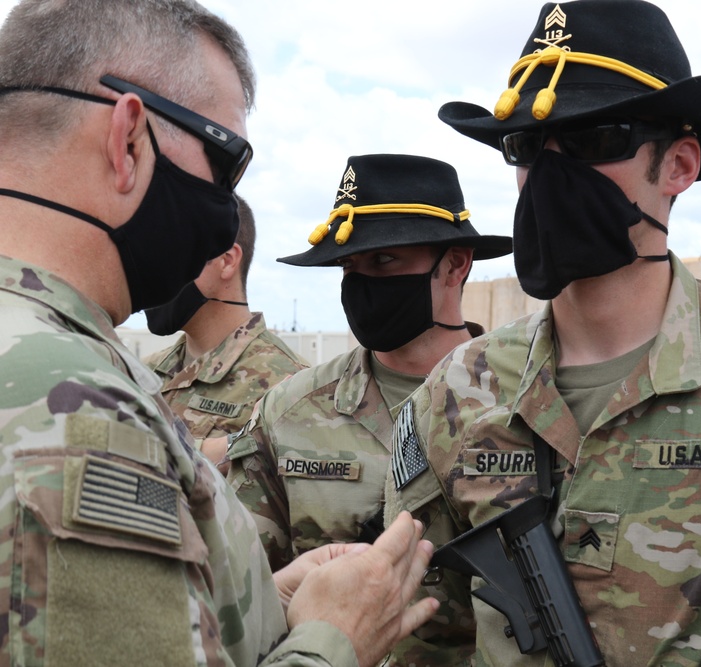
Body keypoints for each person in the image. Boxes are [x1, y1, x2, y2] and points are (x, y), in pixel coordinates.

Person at [384, 1, 701, 665]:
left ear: (678, 166)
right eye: (528, 147)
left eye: (594, 140)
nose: (551, 175)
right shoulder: (458, 392)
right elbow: (422, 633)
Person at [0, 1, 436, 665]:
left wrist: (259, 599)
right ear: (128, 139)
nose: (224, 205)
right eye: (223, 161)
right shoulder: (76, 413)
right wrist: (333, 640)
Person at [226, 153, 513, 571]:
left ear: (455, 264)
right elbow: (244, 580)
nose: (360, 283)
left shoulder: (524, 400)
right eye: (348, 264)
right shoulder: (288, 411)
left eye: (383, 260)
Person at [144, 193, 309, 456]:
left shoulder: (292, 389)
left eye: (169, 250)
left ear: (227, 260)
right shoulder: (140, 373)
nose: (154, 269)